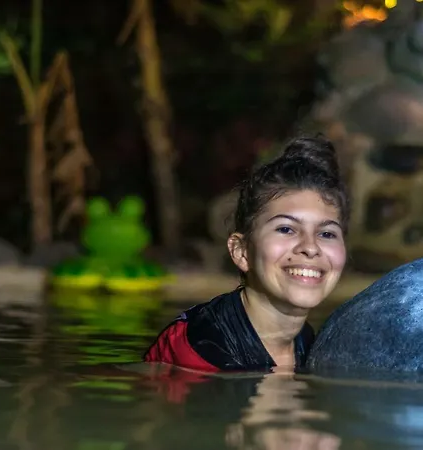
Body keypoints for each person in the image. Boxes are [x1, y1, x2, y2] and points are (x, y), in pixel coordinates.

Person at [144, 135, 349, 372]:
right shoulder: (203, 346)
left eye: (327, 233)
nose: (311, 247)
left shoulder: (307, 342)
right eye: (286, 229)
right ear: (241, 251)